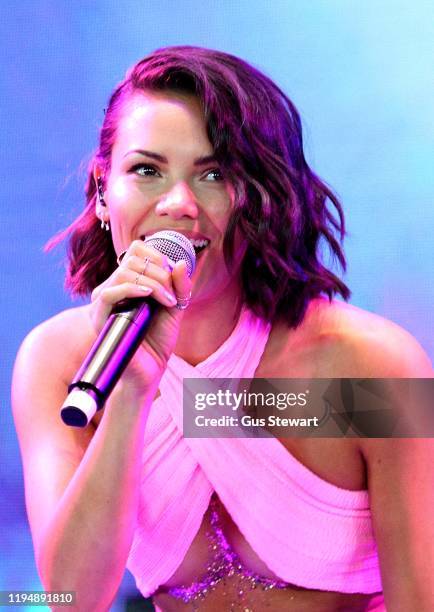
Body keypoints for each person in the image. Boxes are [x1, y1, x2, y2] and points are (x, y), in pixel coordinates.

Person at [12, 46, 434, 612]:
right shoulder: (59, 362)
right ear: (102, 190)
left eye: (213, 173)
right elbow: (71, 598)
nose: (179, 203)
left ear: (259, 197)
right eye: (146, 170)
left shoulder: (373, 365)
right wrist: (132, 394)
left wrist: (203, 404)